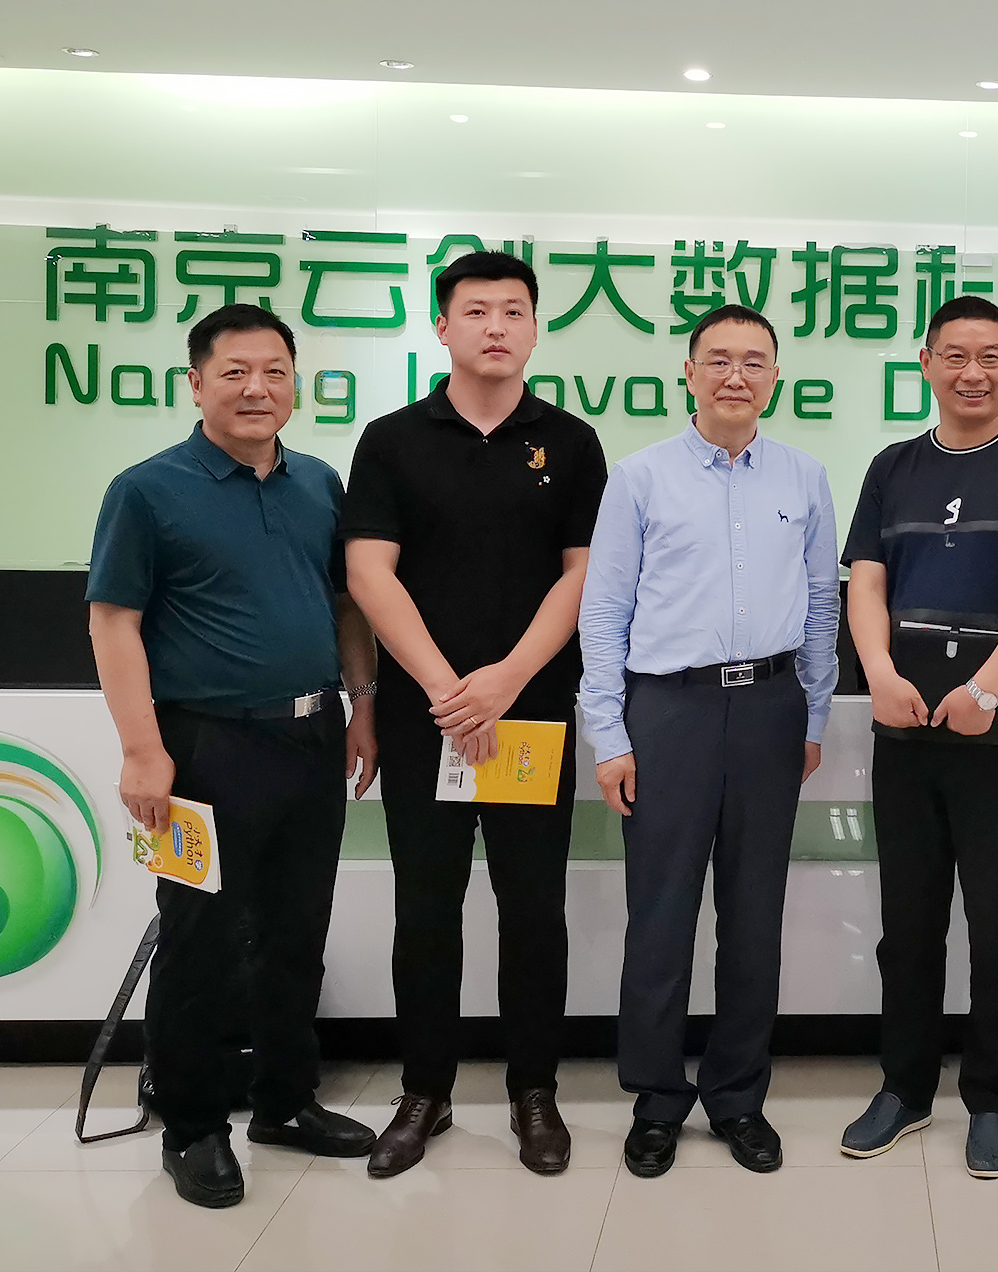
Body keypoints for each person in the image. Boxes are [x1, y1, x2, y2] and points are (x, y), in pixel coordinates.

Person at [86, 303, 379, 1208]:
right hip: (204, 745)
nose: (258, 388)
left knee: (296, 931)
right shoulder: (147, 490)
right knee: (201, 942)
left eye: (275, 371)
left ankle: (285, 1102)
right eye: (235, 372)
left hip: (311, 736)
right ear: (196, 384)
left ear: (296, 383)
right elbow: (114, 622)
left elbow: (345, 606)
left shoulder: (318, 483)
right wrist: (142, 750)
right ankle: (193, 1126)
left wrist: (362, 706)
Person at [343, 251, 607, 1177]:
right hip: (427, 719)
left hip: (531, 718)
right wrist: (449, 691)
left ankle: (535, 1091)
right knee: (426, 908)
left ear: (536, 328)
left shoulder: (570, 443)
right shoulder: (391, 440)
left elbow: (584, 575)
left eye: (514, 311)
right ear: (442, 326)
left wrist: (505, 681)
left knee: (533, 908)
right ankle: (426, 1091)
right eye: (476, 310)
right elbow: (368, 571)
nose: (496, 327)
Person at [578, 304, 838, 1177]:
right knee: (660, 916)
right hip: (669, 712)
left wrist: (812, 715)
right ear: (688, 374)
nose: (736, 375)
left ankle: (737, 1097)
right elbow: (604, 611)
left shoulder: (804, 476)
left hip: (770, 709)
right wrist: (610, 733)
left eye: (754, 361)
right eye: (718, 360)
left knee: (754, 917)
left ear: (775, 378)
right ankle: (656, 1100)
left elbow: (821, 605)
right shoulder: (640, 477)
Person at [838, 295, 998, 1179]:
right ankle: (904, 1089)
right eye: (955, 355)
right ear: (926, 363)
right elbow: (866, 583)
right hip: (906, 729)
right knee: (907, 926)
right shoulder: (892, 466)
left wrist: (986, 689)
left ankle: (992, 1099)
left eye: (990, 356)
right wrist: (879, 672)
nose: (972, 372)